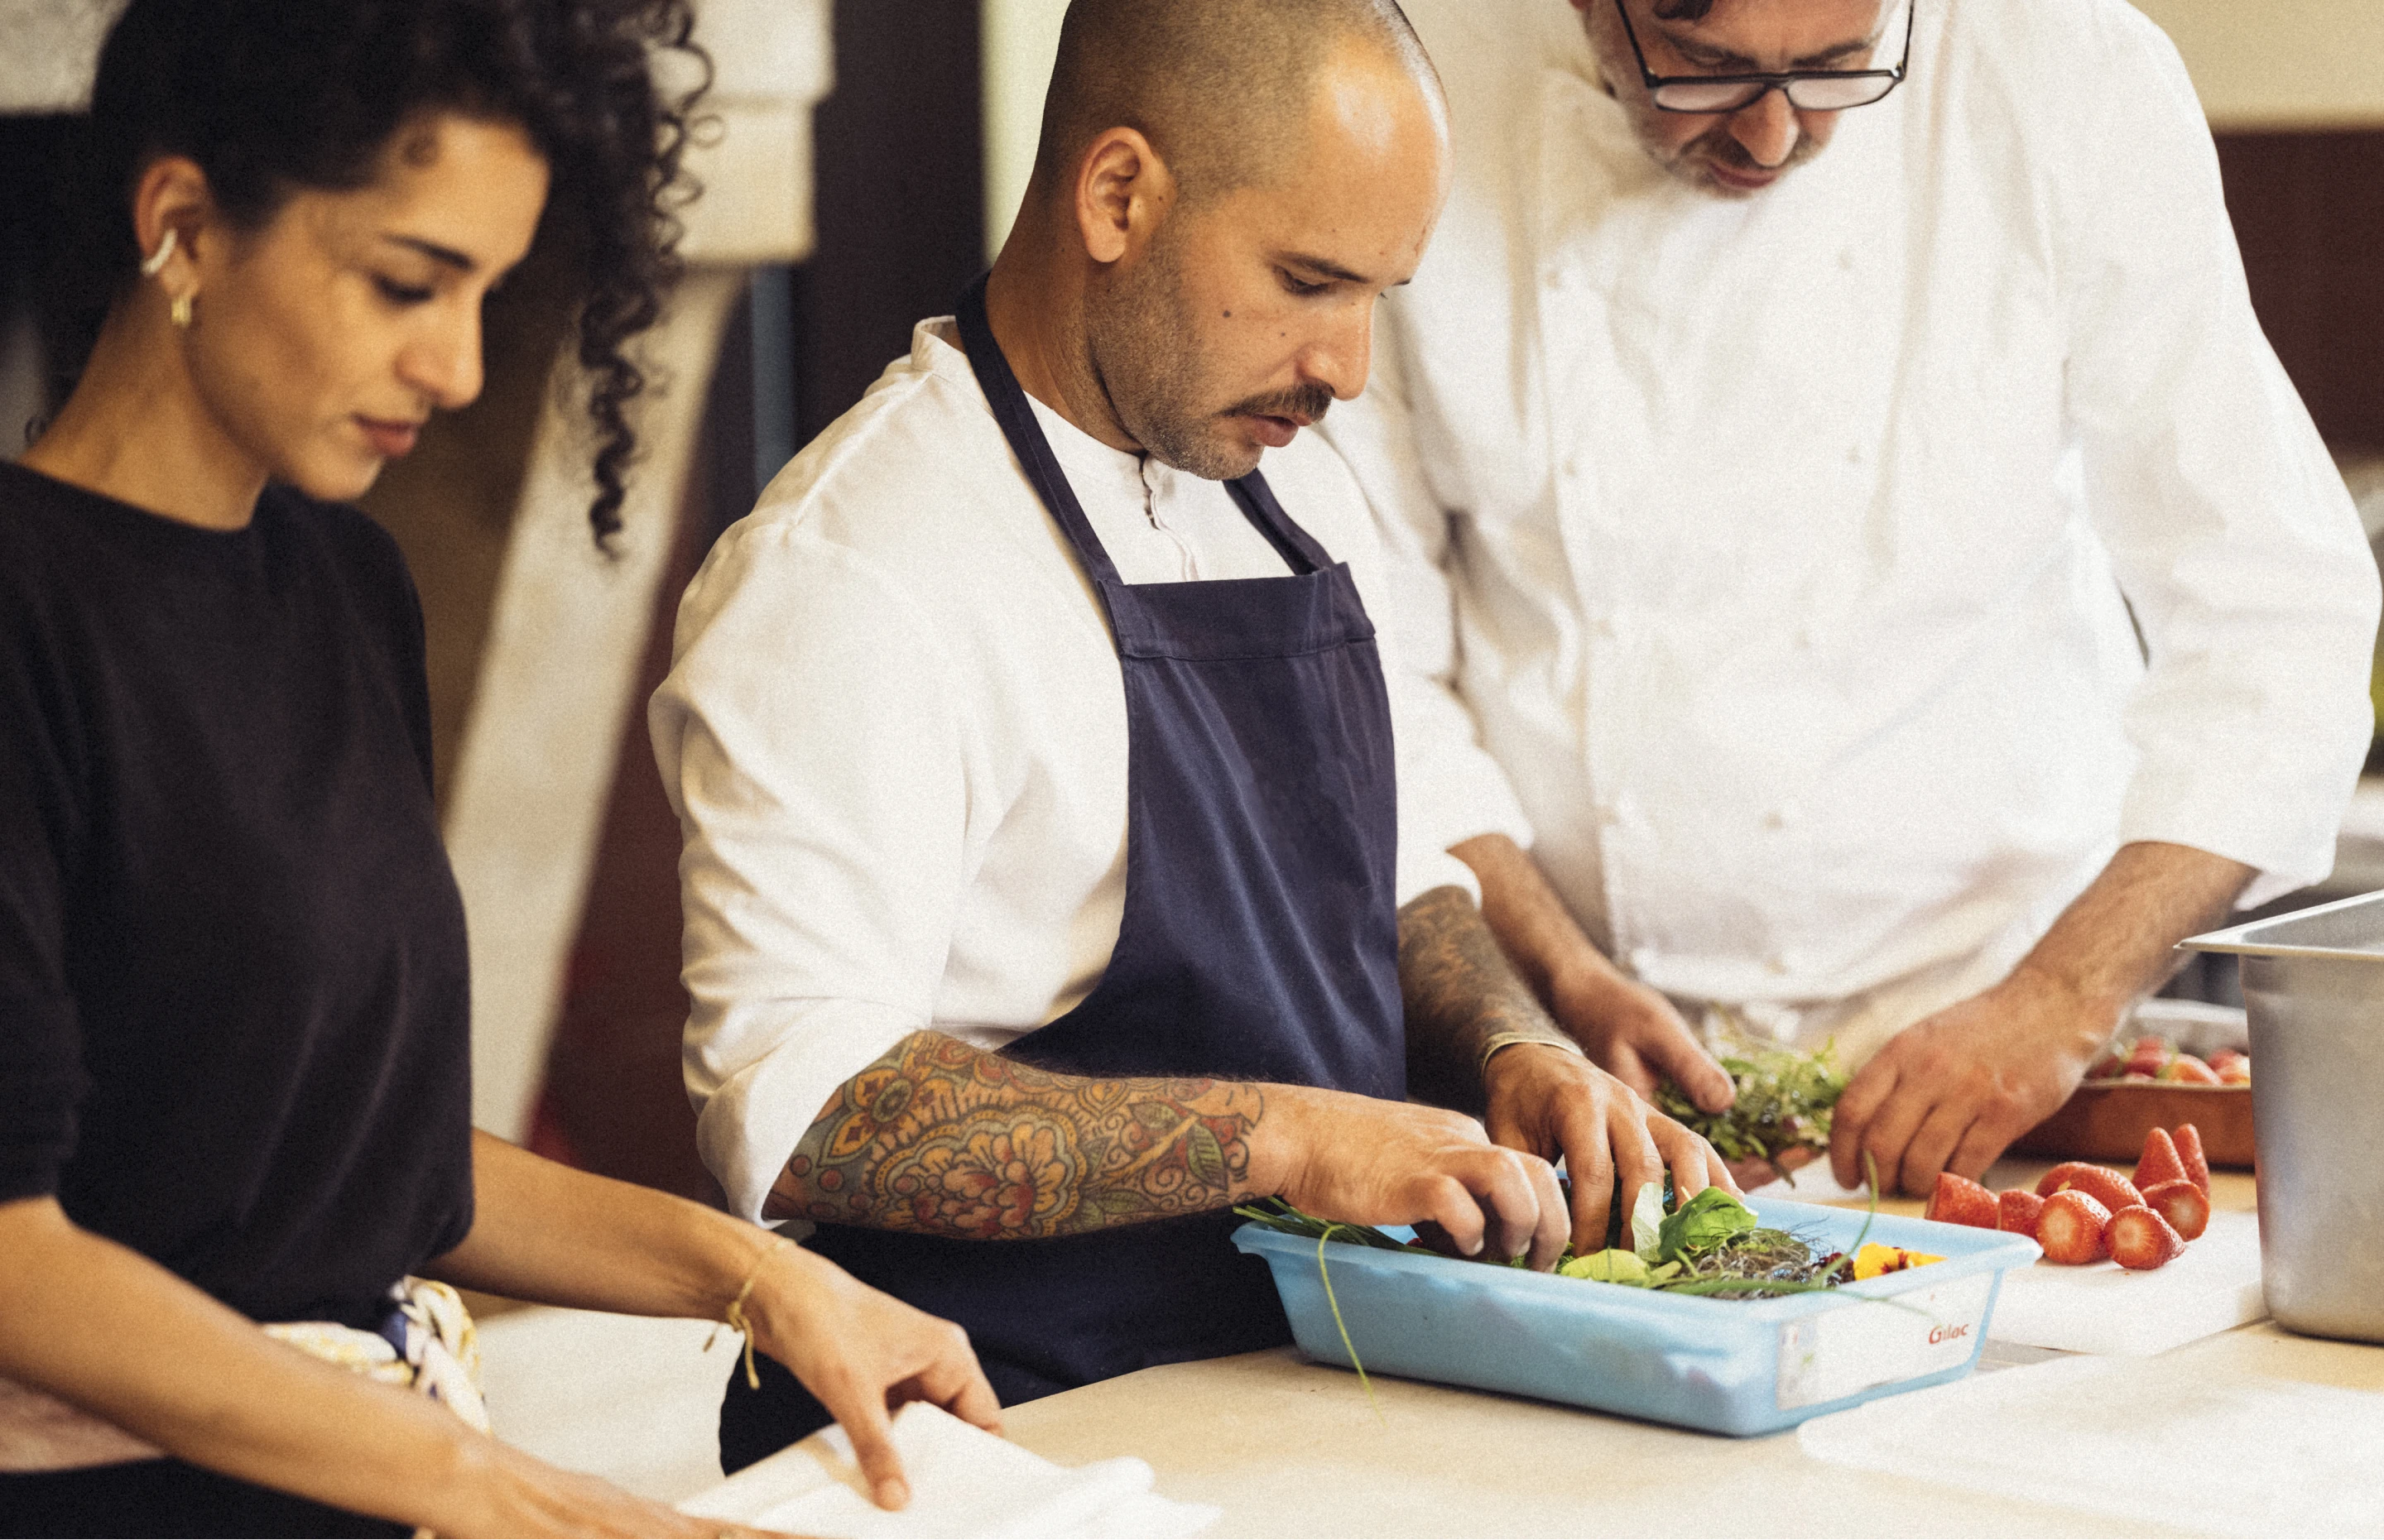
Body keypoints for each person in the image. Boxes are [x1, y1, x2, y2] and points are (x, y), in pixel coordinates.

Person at [651, 0, 1731, 1473]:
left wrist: (1511, 1044)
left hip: (1320, 1385)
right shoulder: (851, 577)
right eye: (1307, 281)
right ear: (1117, 195)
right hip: (1006, 1429)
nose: (1348, 365)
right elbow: (808, 1107)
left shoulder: (1292, 497)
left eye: (1379, 298)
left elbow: (1401, 872)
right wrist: (1294, 1141)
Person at [0, 2, 997, 1535]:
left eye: (489, 291)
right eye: (408, 282)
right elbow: (15, 1262)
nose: (460, 366)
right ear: (184, 227)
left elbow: (387, 1167)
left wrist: (773, 1281)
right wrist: (491, 1485)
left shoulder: (346, 587)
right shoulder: (24, 616)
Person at [1315, 0, 2381, 1197]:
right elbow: (1367, 661)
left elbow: (2280, 618)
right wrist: (1552, 985)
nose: (1772, 138)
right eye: (1706, 71)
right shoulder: (1414, 83)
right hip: (1586, 1087)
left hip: (2010, 1067)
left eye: (1835, 69)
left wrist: (2059, 1001)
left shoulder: (2064, 75)